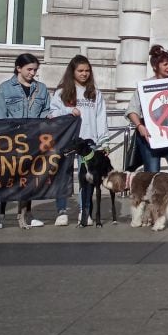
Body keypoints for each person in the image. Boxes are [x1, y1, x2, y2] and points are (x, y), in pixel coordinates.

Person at [0, 53, 51, 229]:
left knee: (29, 178)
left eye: (35, 70)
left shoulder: (41, 89)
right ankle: (0, 216)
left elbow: (45, 112)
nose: (33, 73)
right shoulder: (5, 88)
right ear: (18, 68)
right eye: (29, 69)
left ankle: (27, 213)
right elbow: (0, 117)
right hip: (10, 140)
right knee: (6, 176)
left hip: (32, 141)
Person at [125, 45, 168, 194]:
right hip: (150, 138)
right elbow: (132, 110)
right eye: (165, 64)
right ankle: (153, 213)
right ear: (156, 66)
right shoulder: (144, 86)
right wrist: (139, 127)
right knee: (152, 176)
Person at [50, 54, 108, 226]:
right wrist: (68, 112)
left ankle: (85, 210)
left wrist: (103, 142)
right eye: (80, 71)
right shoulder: (62, 92)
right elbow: (51, 115)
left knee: (87, 177)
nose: (84, 74)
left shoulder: (95, 94)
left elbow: (101, 118)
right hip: (66, 141)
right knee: (63, 175)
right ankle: (61, 210)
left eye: (87, 71)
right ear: (72, 71)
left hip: (88, 143)